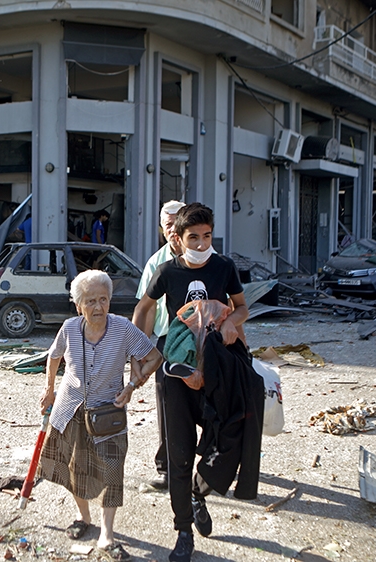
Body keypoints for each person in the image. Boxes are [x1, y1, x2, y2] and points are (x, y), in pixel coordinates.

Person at [131, 203, 252, 562]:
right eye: (193, 237)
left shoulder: (224, 267)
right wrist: (139, 352)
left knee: (228, 440)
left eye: (207, 236)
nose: (201, 244)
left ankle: (199, 491)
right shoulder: (168, 271)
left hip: (217, 366)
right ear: (179, 239)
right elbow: (144, 308)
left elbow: (242, 306)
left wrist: (230, 322)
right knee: (180, 454)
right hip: (178, 371)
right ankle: (183, 530)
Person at [39, 270, 162, 562]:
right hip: (70, 408)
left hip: (108, 411)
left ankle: (107, 534)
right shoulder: (69, 328)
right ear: (78, 306)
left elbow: (154, 357)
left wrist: (132, 386)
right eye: (91, 301)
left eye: (104, 299)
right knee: (73, 467)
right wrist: (49, 390)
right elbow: (54, 356)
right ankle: (83, 517)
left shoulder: (122, 328)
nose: (99, 307)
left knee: (112, 470)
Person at [135, 200, 185, 490]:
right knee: (168, 407)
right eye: (168, 225)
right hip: (169, 341)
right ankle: (167, 469)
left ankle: (214, 462)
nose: (174, 230)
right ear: (162, 229)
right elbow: (146, 309)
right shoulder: (157, 263)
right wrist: (141, 354)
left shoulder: (209, 258)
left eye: (179, 223)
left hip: (205, 340)